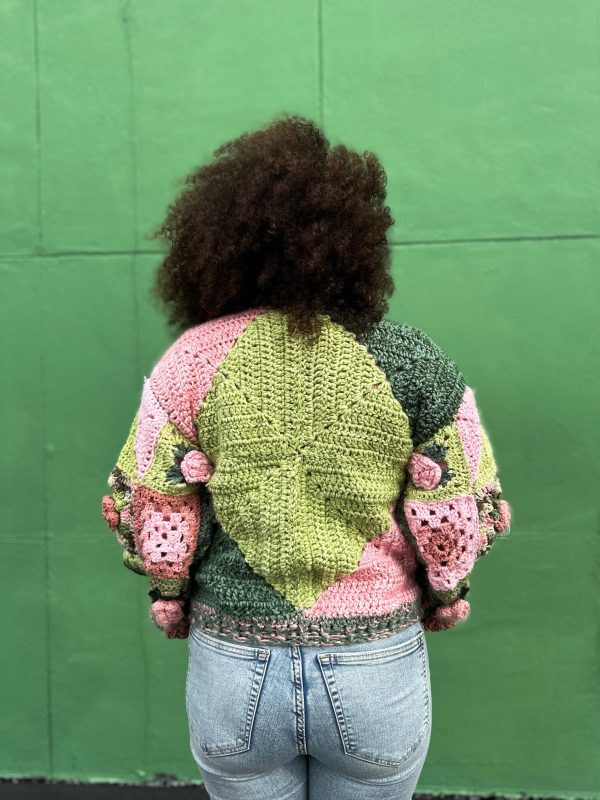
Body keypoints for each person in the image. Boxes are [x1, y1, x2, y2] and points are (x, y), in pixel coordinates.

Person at [101, 113, 512, 800]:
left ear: (217, 242)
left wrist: (170, 598)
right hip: (375, 669)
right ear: (357, 241)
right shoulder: (411, 361)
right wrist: (447, 593)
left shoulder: (189, 364)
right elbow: (457, 509)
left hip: (233, 672)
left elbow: (152, 508)